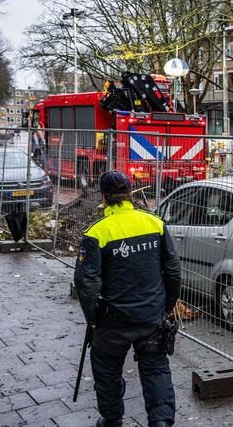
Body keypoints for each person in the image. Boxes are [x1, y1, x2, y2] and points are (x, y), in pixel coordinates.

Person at [74, 171, 181, 427]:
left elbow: (86, 282)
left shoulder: (98, 233)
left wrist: (95, 319)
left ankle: (112, 420)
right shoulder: (154, 223)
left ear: (104, 197)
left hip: (114, 322)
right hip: (150, 316)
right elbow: (174, 269)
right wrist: (165, 307)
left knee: (107, 369)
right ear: (130, 194)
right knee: (156, 369)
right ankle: (162, 422)